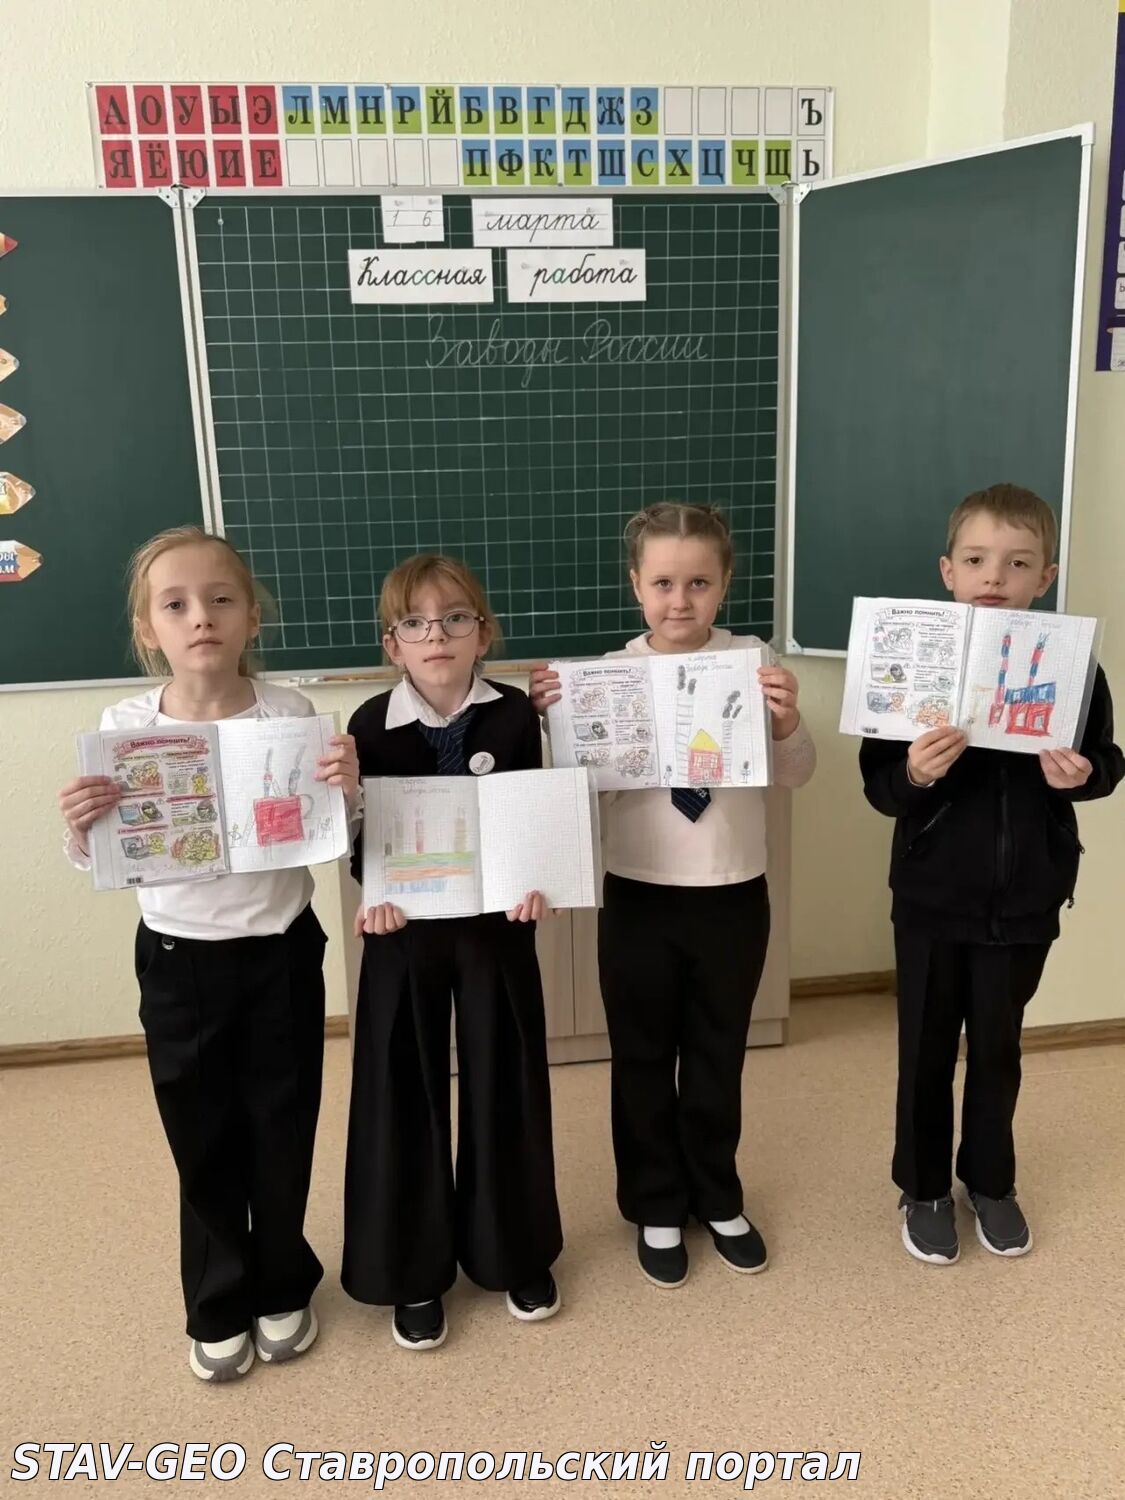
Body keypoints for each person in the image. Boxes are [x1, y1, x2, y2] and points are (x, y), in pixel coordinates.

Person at [58, 526, 358, 1379]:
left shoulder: (290, 715)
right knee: (201, 1133)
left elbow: (330, 836)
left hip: (281, 953)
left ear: (251, 616)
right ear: (148, 628)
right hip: (178, 958)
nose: (201, 618)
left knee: (282, 1123)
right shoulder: (123, 726)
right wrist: (80, 827)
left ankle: (283, 1282)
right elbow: (102, 856)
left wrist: (348, 792)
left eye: (221, 599)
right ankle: (217, 1298)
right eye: (176, 604)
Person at [531, 503, 816, 1288]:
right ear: (636, 585)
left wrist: (786, 722)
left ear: (725, 584)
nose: (679, 600)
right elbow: (572, 791)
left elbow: (795, 775)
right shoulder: (606, 675)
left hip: (733, 894)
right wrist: (554, 723)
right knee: (643, 1057)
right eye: (662, 583)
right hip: (639, 897)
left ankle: (717, 1195)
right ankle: (656, 1203)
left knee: (718, 1054)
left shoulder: (752, 662)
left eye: (698, 583)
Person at [859, 484, 1123, 1264]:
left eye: (1015, 563)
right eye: (975, 560)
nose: (993, 577)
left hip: (1026, 897)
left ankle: (991, 1181)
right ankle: (922, 1187)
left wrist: (1083, 776)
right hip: (931, 895)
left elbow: (1106, 761)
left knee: (998, 1049)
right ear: (947, 571)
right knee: (925, 1050)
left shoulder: (1073, 666)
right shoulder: (914, 665)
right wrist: (916, 771)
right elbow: (880, 787)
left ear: (1044, 577)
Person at [343, 554, 563, 1350]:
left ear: (483, 633)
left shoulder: (517, 717)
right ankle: (412, 1269)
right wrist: (368, 883)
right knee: (400, 1089)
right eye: (414, 622)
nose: (436, 634)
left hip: (495, 932)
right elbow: (362, 837)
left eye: (455, 618)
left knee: (507, 1081)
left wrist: (539, 880)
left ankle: (515, 1252)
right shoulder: (368, 724)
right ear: (392, 643)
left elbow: (540, 817)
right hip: (401, 935)